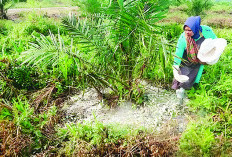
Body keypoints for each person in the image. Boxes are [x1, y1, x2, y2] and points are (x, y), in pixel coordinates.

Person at [172, 16, 217, 103]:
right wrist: (175, 69)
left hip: (197, 61)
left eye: (190, 30)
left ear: (195, 28)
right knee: (181, 80)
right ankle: (179, 101)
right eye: (185, 30)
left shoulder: (206, 31)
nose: (187, 32)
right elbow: (178, 54)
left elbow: (215, 41)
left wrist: (212, 54)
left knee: (191, 78)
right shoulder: (183, 38)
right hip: (185, 60)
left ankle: (185, 96)